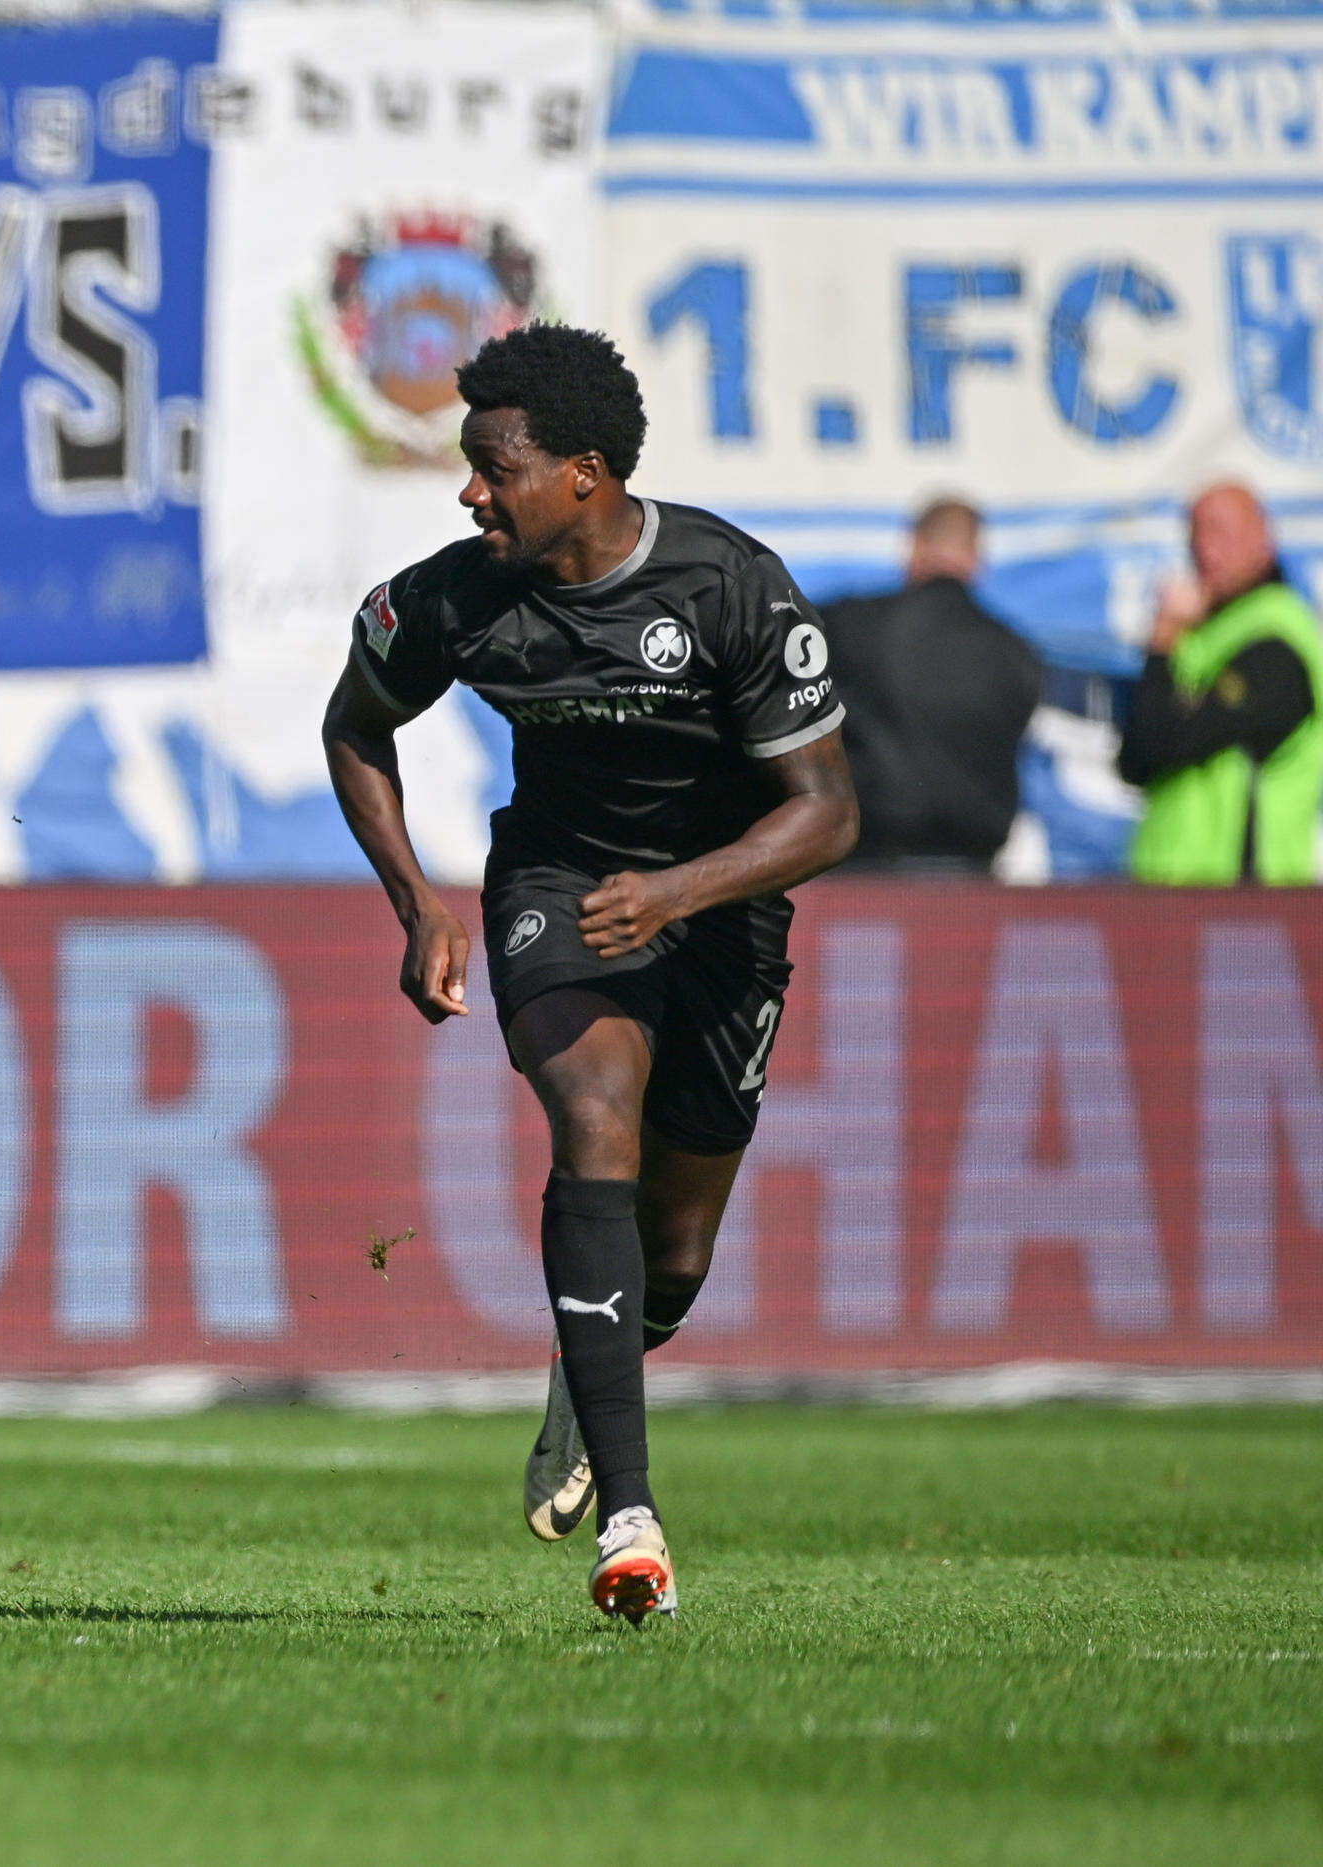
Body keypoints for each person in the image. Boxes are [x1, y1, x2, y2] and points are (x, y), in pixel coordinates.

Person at [321, 325, 857, 1622]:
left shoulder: (732, 586)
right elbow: (357, 726)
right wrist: (418, 906)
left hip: (718, 909)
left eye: (493, 468)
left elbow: (829, 813)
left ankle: (592, 1353)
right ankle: (633, 1516)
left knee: (671, 1257)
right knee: (592, 1118)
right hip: (560, 890)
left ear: (585, 473)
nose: (468, 491)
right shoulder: (452, 597)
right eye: (468, 467)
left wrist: (677, 890)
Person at [1120, 483, 1323, 884]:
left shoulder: (1275, 638)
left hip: (1245, 907)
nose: (1205, 549)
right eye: (1196, 534)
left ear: (1263, 537)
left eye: (1221, 532)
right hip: (1172, 899)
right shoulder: (1203, 636)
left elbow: (1163, 742)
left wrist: (1161, 648)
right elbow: (1136, 760)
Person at [824, 498, 1043, 871]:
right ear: (976, 557)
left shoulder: (854, 627)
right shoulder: (1015, 652)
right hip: (975, 872)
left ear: (915, 546)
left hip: (869, 872)